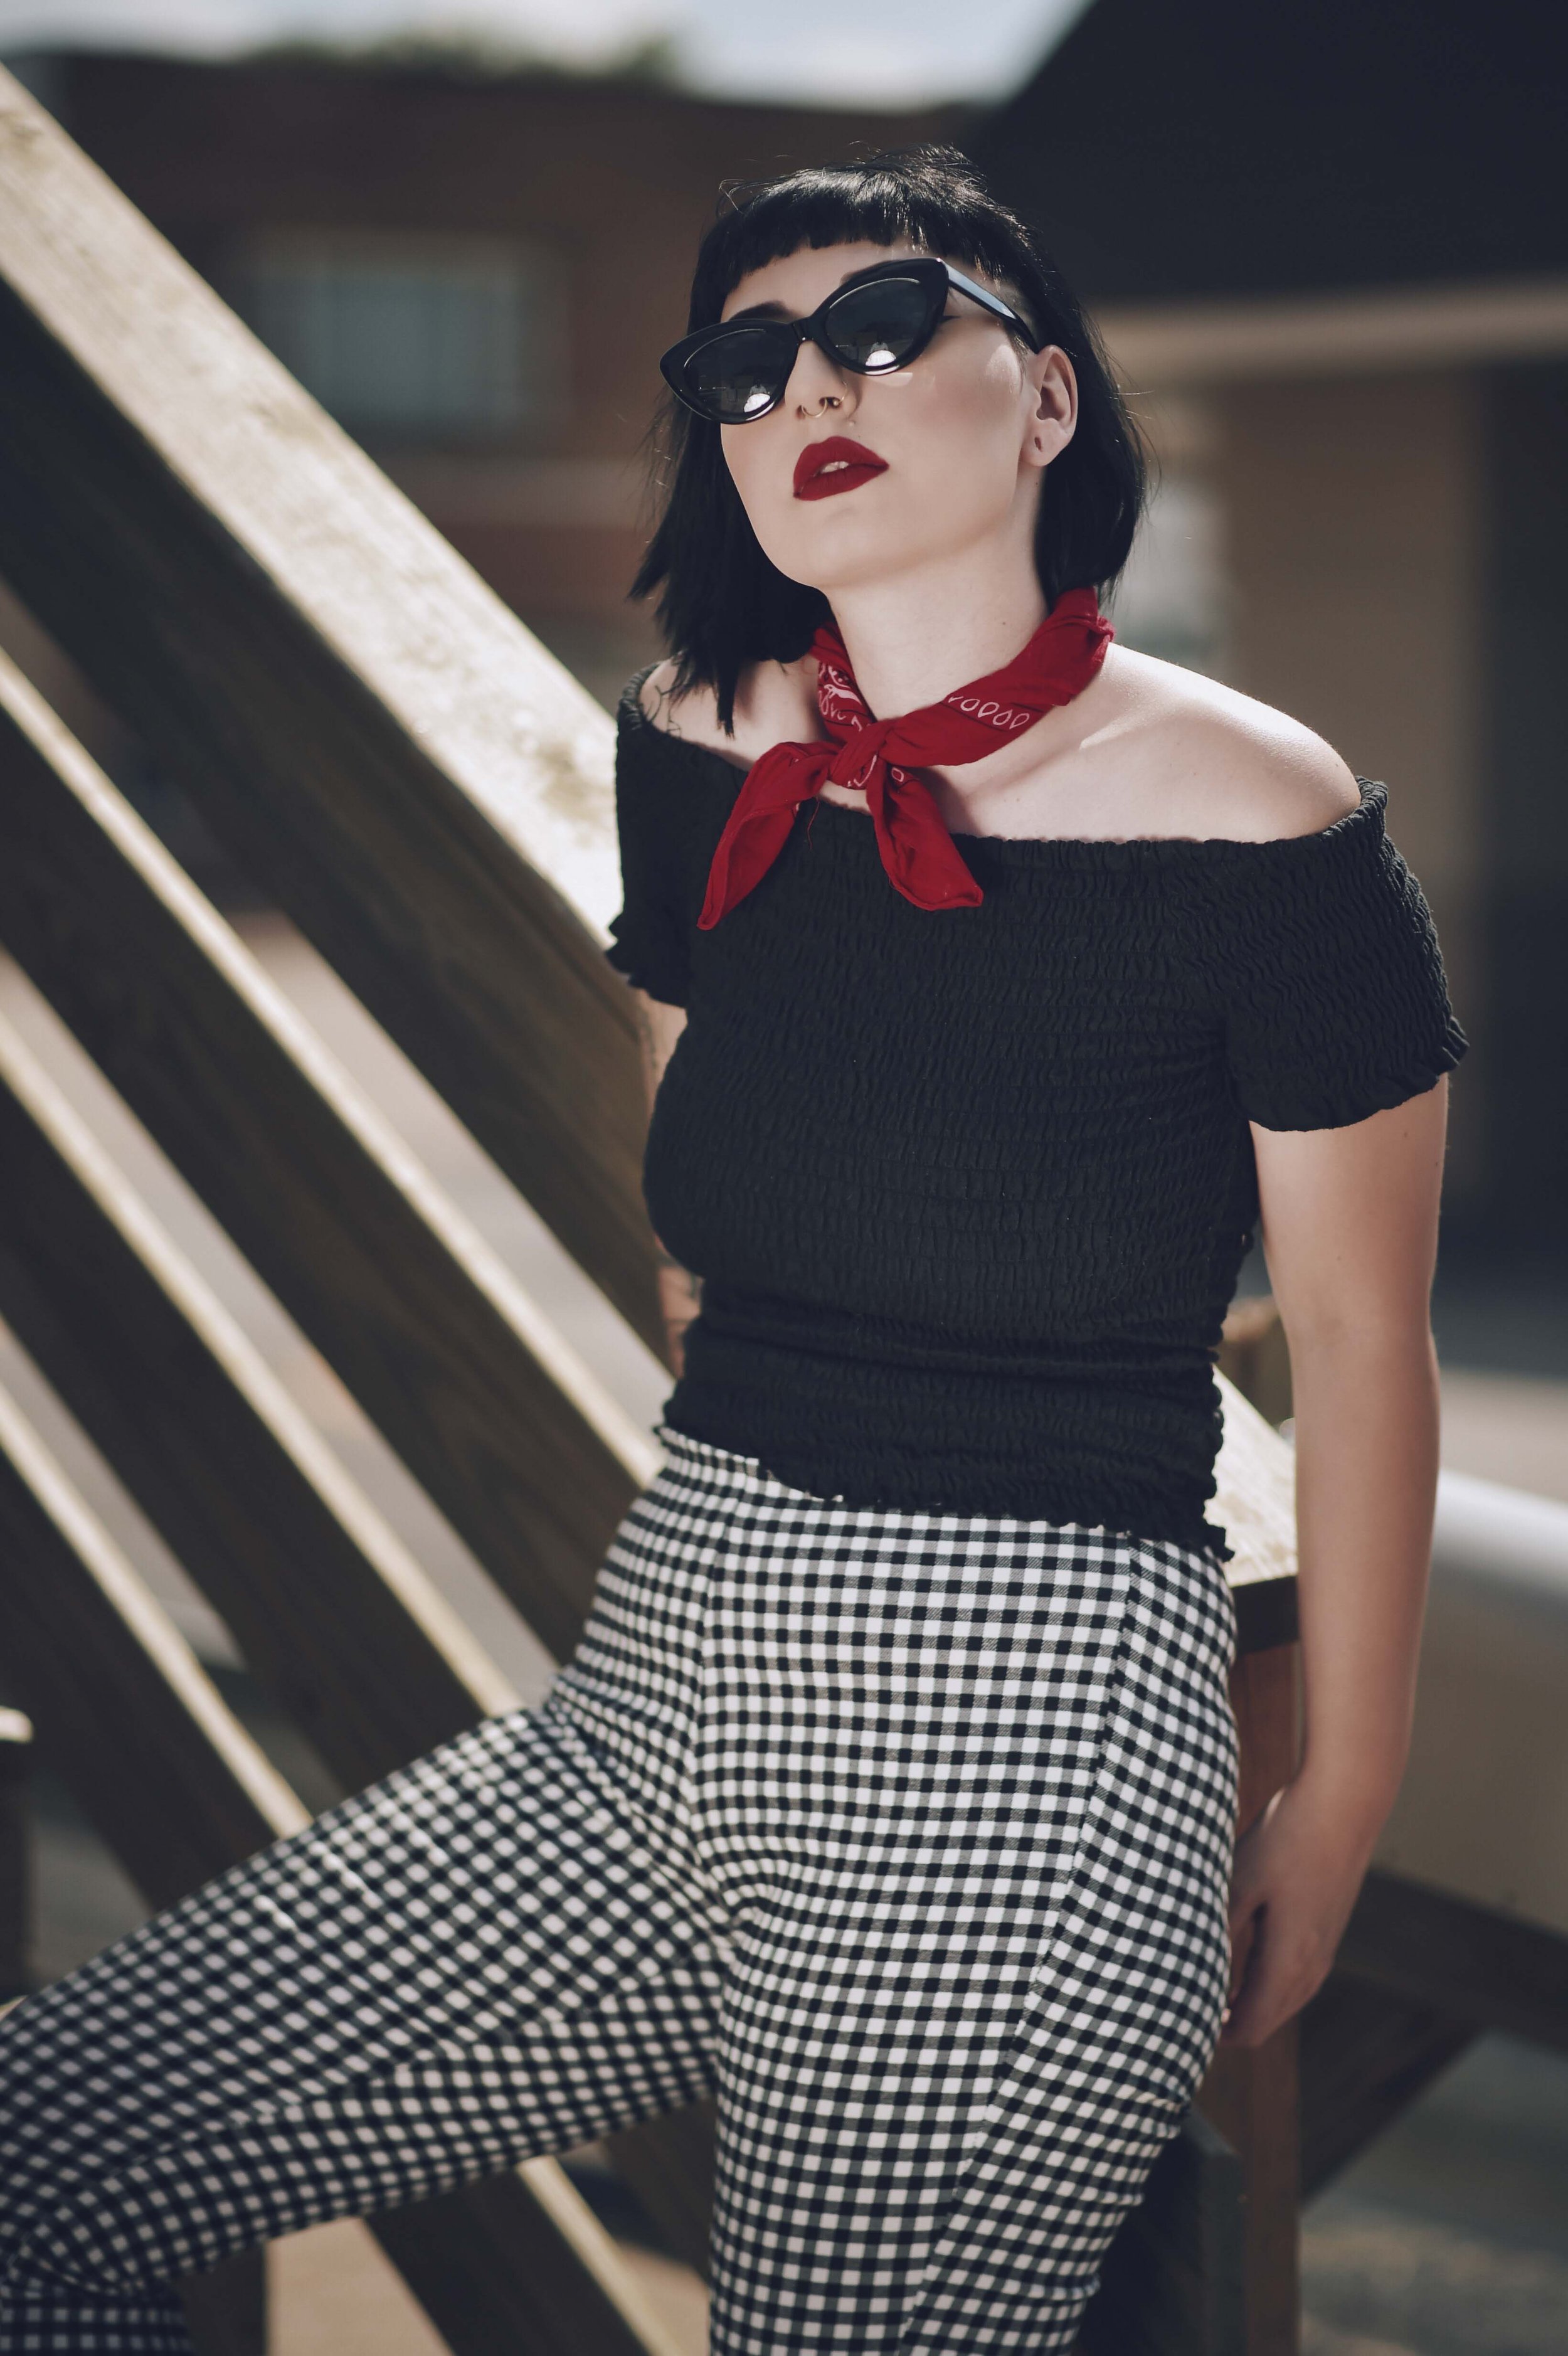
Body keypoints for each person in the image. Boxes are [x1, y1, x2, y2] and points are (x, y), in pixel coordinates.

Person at [0, 147, 1466, 2354]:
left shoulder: (1262, 813)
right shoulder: (697, 747)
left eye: (884, 328)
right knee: (66, 2152)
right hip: (668, 1672)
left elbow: (1362, 1337)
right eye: (747, 364)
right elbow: (705, 1165)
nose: (809, 390)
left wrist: (1337, 1792)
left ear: (1044, 400)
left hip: (1023, 1756)